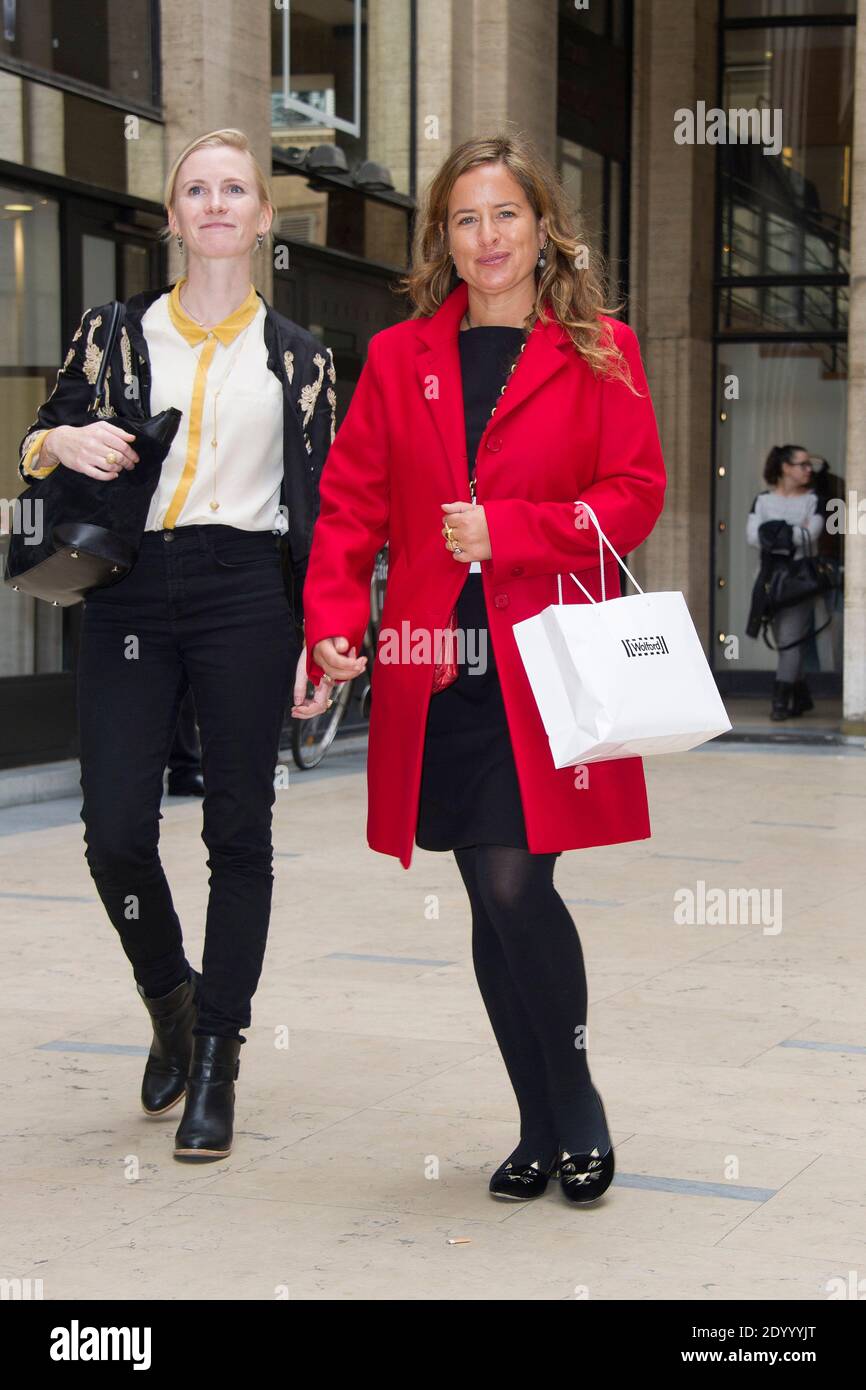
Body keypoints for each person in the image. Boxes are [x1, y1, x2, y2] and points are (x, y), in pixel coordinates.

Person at [293, 132, 666, 1206]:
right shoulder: (403, 355)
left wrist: (514, 531)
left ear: (541, 225)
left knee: (514, 877)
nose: (485, 236)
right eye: (464, 218)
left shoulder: (601, 348)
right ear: (441, 239)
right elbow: (352, 500)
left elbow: (633, 492)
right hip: (434, 660)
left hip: (545, 656)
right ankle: (536, 1122)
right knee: (484, 891)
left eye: (503, 214)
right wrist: (331, 618)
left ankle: (575, 1100)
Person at [17, 128, 335, 1162]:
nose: (213, 202)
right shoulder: (112, 332)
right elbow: (37, 445)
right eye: (194, 187)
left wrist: (319, 633)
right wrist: (61, 440)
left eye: (232, 188)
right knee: (113, 828)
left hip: (247, 591)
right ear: (171, 214)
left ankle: (217, 1064)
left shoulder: (299, 357)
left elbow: (321, 507)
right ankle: (172, 999)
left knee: (239, 833)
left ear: (258, 218)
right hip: (131, 589)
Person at [746, 444, 824, 720]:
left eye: (809, 465)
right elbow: (753, 537)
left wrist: (774, 531)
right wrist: (792, 529)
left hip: (799, 580)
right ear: (785, 468)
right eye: (802, 464)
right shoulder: (763, 500)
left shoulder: (814, 500)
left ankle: (780, 701)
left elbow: (811, 535)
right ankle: (802, 696)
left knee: (790, 640)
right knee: (784, 640)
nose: (808, 469)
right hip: (768, 580)